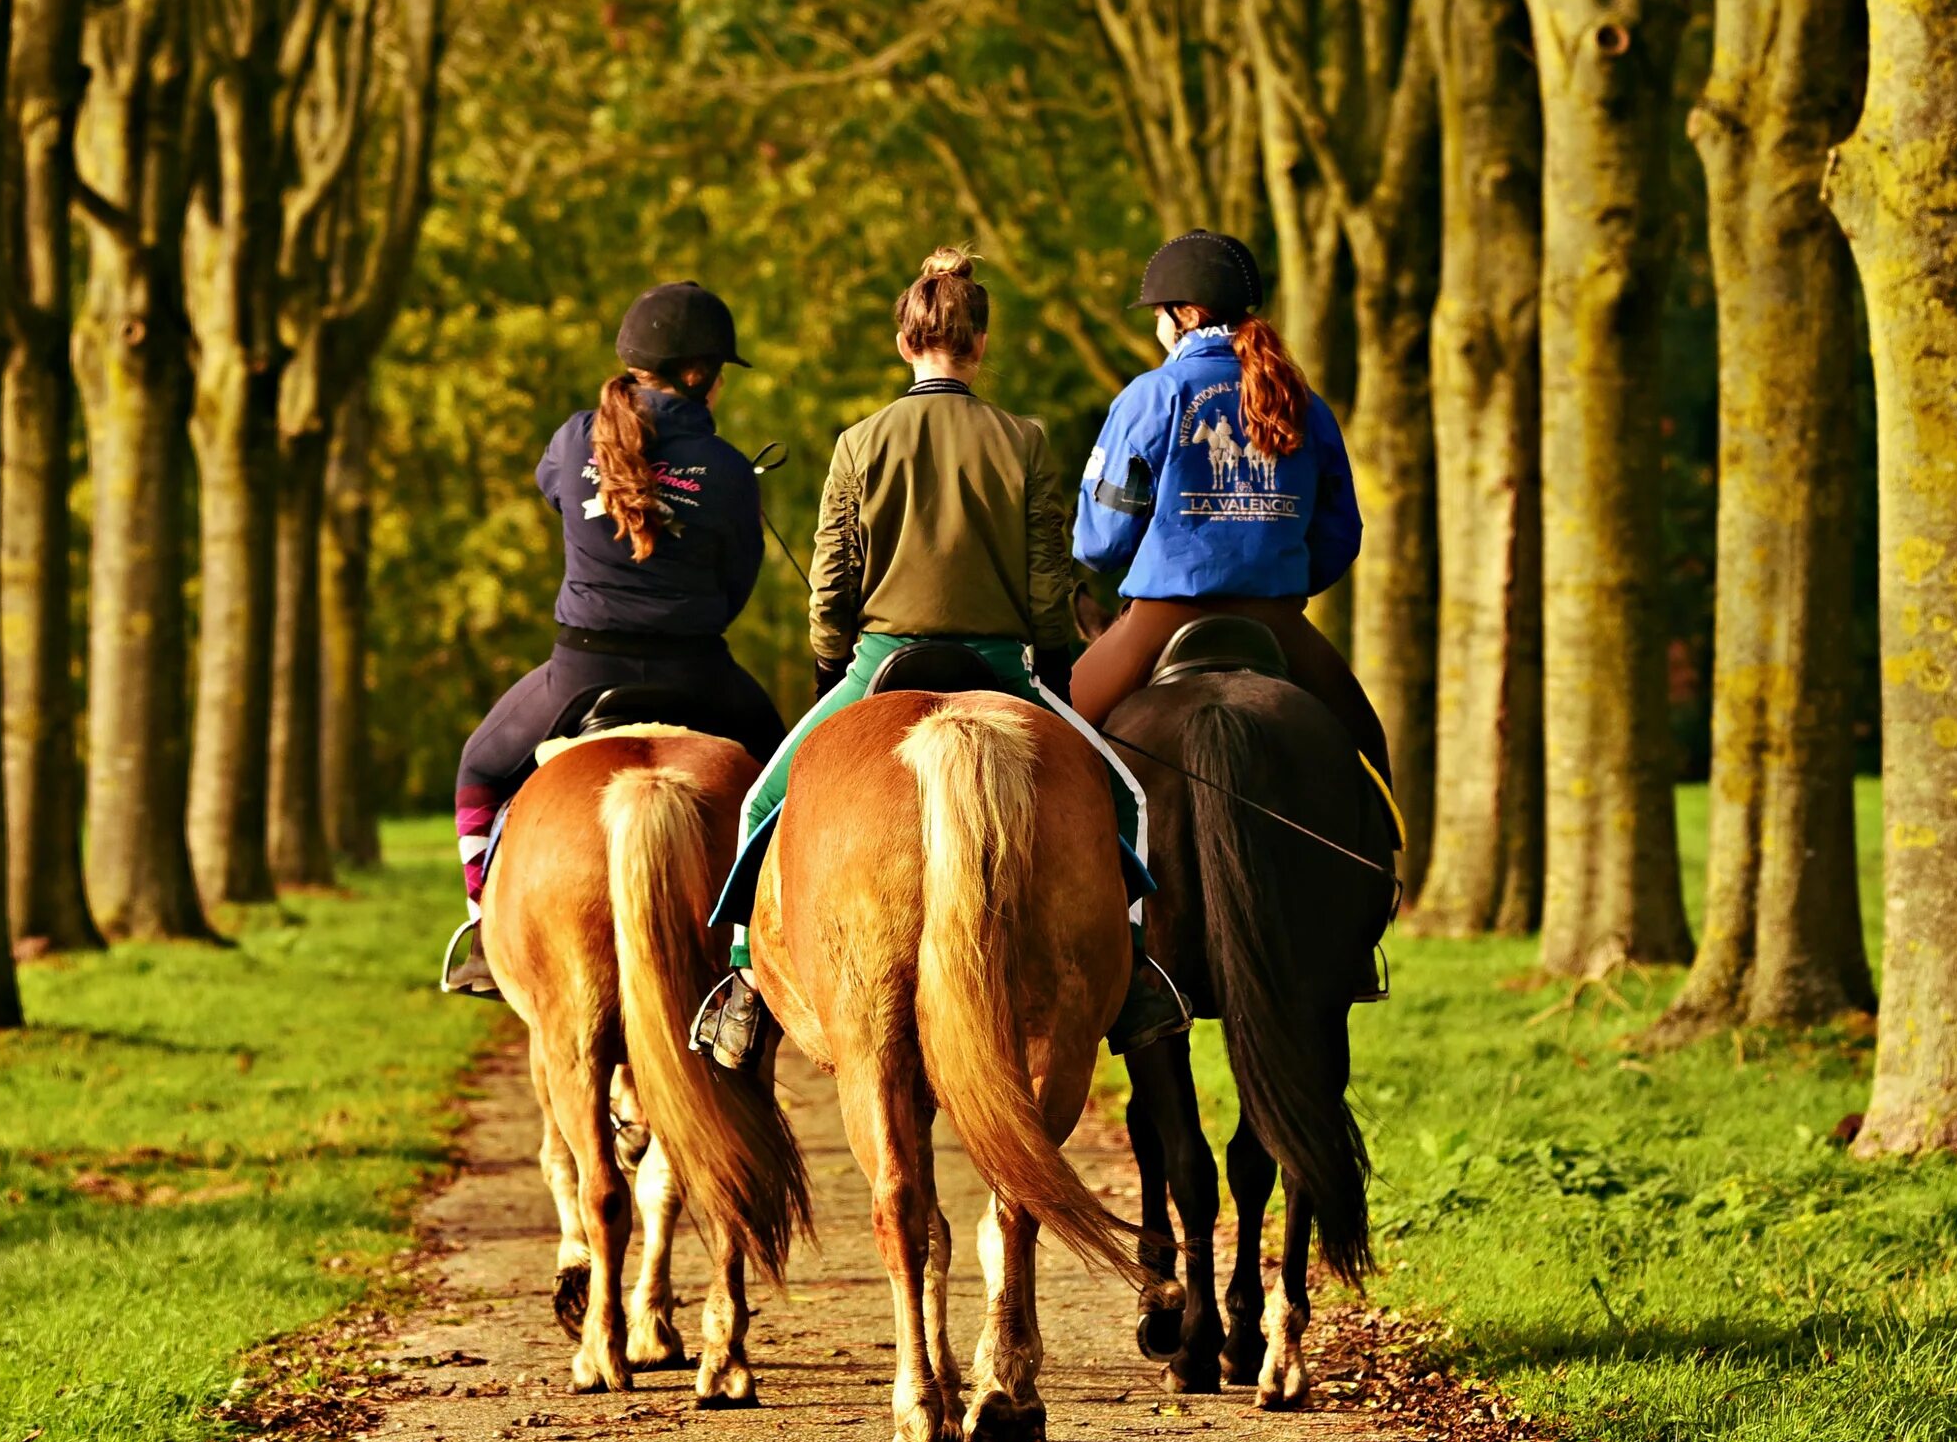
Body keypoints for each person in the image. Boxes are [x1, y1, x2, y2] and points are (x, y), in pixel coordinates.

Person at [703, 247, 1184, 1057]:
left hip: (880, 660)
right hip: (1000, 664)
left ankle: (746, 984)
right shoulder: (1023, 440)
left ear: (905, 343)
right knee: (1126, 799)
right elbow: (1047, 578)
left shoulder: (859, 441)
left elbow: (832, 579)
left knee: (761, 805)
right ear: (981, 343)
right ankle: (1132, 974)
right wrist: (1054, 662)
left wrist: (833, 664)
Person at [442, 280, 787, 996]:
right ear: (701, 377)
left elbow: (552, 492)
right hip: (699, 674)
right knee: (786, 781)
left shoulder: (574, 439)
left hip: (577, 672)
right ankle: (771, 942)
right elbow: (737, 587)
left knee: (478, 770)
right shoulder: (726, 470)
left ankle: (482, 930)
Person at [1070, 228, 1389, 780]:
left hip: (1161, 619)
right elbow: (1340, 534)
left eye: (1158, 314)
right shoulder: (1304, 403)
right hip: (1277, 618)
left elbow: (1101, 541)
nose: (1156, 326)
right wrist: (1277, 570)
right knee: (1370, 757)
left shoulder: (1152, 395)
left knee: (1050, 747)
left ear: (1187, 314)